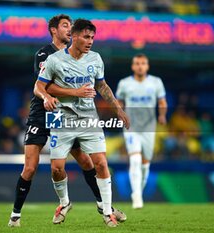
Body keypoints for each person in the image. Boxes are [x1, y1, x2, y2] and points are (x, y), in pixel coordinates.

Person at [8, 14, 126, 227]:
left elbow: (100, 85)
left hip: (67, 115)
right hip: (41, 114)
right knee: (32, 167)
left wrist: (116, 108)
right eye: (65, 25)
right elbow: (42, 85)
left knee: (89, 161)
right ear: (54, 30)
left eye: (71, 26)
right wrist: (70, 93)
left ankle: (103, 206)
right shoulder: (47, 55)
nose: (69, 28)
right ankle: (16, 214)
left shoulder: (89, 56)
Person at [116, 53, 167, 209]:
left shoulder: (156, 82)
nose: (140, 66)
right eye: (137, 63)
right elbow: (118, 102)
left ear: (147, 66)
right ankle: (137, 196)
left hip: (149, 128)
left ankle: (139, 190)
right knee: (135, 159)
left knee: (145, 165)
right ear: (133, 66)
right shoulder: (124, 83)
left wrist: (162, 115)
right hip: (132, 128)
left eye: (143, 63)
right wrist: (120, 114)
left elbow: (162, 101)